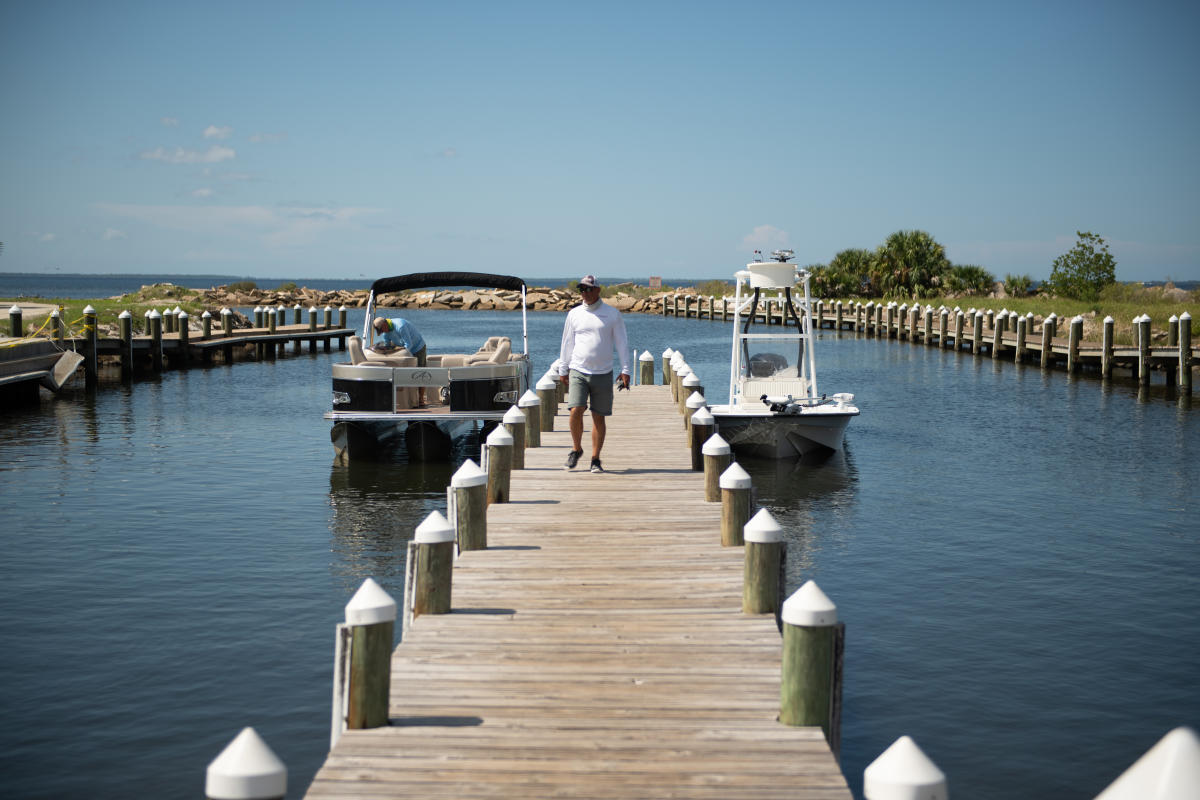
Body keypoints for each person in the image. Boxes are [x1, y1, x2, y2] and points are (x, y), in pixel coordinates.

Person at [557, 275, 630, 473]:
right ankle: (576, 449)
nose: (585, 293)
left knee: (599, 417)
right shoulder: (574, 314)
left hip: (604, 373)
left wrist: (626, 370)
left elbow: (622, 343)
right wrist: (563, 368)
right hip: (578, 370)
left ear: (598, 290)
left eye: (589, 289)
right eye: (582, 289)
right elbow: (567, 343)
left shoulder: (612, 314)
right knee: (575, 410)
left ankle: (595, 459)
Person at [372, 317, 429, 406]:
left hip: (418, 348)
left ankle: (421, 398)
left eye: (382, 330)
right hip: (404, 348)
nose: (383, 332)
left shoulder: (400, 326)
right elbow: (388, 346)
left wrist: (401, 357)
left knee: (420, 373)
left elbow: (408, 344)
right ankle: (408, 398)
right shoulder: (385, 333)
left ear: (385, 325)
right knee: (406, 373)